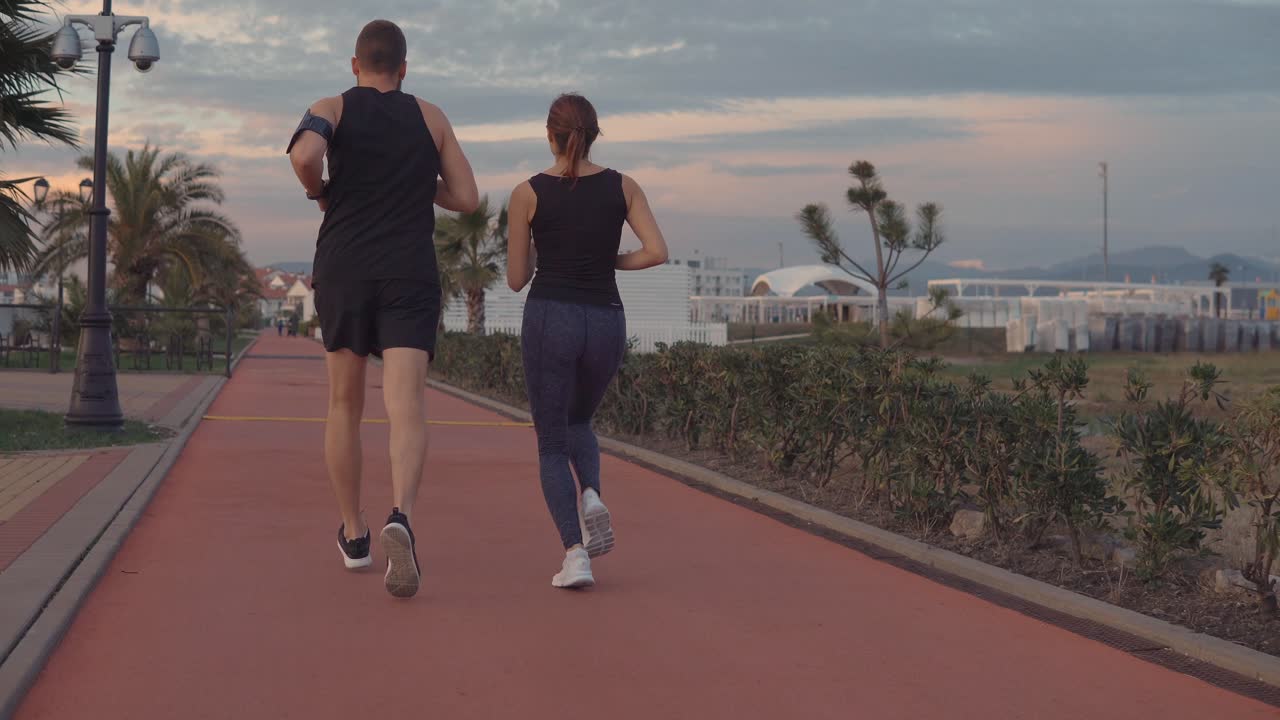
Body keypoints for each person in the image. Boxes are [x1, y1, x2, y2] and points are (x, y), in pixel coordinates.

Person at [287, 19, 479, 598]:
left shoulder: (333, 106)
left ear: (355, 65)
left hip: (345, 268)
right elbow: (467, 198)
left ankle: (354, 532)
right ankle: (402, 515)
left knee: (344, 404)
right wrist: (423, 183)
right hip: (409, 271)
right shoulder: (430, 116)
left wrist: (320, 191)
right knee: (406, 405)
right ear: (403, 67)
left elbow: (304, 156)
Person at [506, 93, 669, 589]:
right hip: (606, 318)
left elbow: (516, 278)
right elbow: (656, 251)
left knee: (552, 442)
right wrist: (611, 260)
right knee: (580, 419)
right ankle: (592, 494)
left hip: (551, 315)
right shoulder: (625, 186)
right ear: (595, 134)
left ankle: (575, 554)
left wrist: (538, 243)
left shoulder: (527, 192)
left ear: (550, 135)